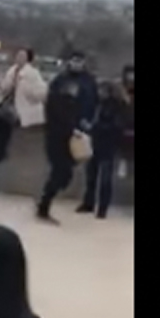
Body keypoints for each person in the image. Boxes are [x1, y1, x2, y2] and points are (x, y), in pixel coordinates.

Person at [37, 52, 100, 224]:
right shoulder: (60, 81)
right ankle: (44, 204)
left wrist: (86, 125)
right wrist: (69, 126)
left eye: (80, 61)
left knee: (65, 172)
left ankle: (45, 201)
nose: (76, 64)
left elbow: (93, 106)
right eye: (74, 61)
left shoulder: (89, 82)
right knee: (61, 171)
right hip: (58, 133)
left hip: (78, 133)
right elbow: (53, 108)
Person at [77, 82, 133, 219]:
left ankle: (102, 207)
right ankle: (89, 202)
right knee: (92, 175)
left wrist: (94, 128)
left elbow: (117, 126)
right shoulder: (100, 104)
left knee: (105, 178)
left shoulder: (118, 106)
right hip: (97, 142)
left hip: (108, 144)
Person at [0, 49, 46, 175]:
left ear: (28, 59)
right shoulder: (12, 70)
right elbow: (4, 88)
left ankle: (1, 153)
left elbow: (40, 92)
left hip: (22, 107)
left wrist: (27, 90)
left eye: (22, 56)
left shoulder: (32, 74)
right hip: (8, 103)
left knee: (5, 120)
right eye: (18, 55)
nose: (19, 58)